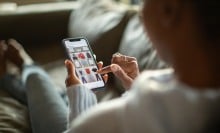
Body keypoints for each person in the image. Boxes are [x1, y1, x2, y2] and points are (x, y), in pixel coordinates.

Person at [2, 0, 220, 132]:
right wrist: (133, 86)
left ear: (169, 10)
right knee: (54, 97)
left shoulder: (116, 121)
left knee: (46, 90)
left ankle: (26, 66)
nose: (140, 11)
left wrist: (82, 96)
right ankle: (19, 77)